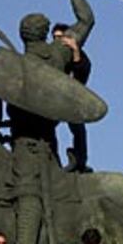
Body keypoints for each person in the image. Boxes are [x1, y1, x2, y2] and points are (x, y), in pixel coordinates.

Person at [2, 0, 96, 244]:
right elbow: (87, 21)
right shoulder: (57, 54)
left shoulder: (15, 64)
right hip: (46, 139)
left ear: (22, 35)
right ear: (44, 33)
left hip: (29, 144)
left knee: (27, 189)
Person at [52, 23, 92, 172]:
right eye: (54, 37)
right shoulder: (53, 56)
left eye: (60, 37)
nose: (57, 41)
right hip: (53, 99)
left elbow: (80, 75)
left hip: (70, 99)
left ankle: (80, 161)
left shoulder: (80, 56)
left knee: (77, 127)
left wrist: (75, 51)